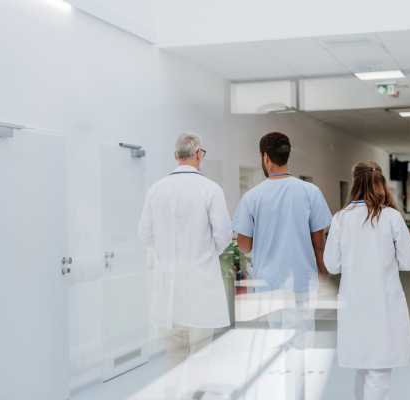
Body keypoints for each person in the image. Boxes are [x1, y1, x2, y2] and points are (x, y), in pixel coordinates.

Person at [231, 132, 332, 399]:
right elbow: (319, 243)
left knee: (278, 344)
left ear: (265, 157)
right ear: (288, 155)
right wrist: (323, 278)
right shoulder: (310, 192)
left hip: (268, 286)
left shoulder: (252, 197)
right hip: (301, 283)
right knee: (300, 347)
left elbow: (244, 246)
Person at [138, 132, 232, 378]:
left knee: (176, 346)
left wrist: (169, 253)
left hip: (171, 283)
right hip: (201, 282)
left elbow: (144, 233)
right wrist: (204, 255)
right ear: (199, 154)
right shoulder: (211, 189)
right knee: (201, 348)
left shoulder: (156, 190)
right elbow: (223, 236)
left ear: (175, 156)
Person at [324, 160, 410, 400]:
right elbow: (409, 262)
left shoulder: (341, 218)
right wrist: (382, 261)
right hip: (383, 303)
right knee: (379, 370)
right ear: (381, 181)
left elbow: (331, 265)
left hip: (353, 302)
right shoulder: (392, 217)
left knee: (363, 367)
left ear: (354, 183)